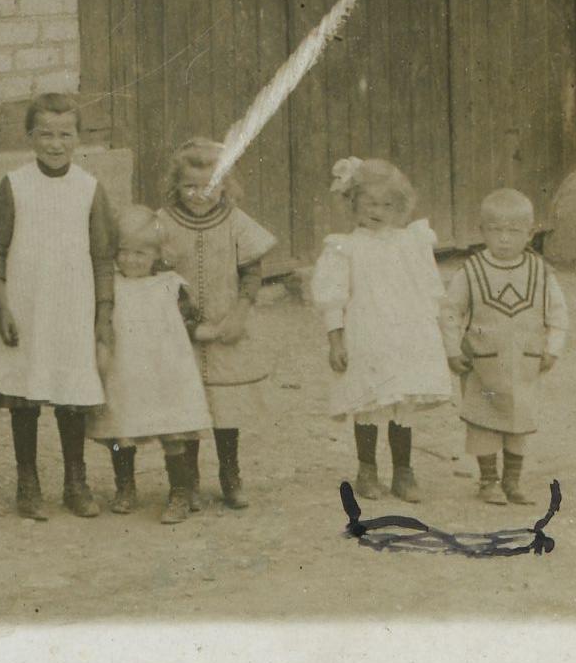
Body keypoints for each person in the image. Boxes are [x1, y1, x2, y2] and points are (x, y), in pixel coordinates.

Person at [0, 89, 115, 520]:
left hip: (72, 309)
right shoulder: (15, 184)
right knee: (24, 394)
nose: (55, 144)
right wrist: (2, 307)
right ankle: (27, 480)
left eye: (65, 134)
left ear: (78, 138)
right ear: (30, 136)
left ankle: (75, 480)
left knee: (71, 394)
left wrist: (103, 314)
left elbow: (103, 257)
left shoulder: (88, 188)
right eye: (45, 134)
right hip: (25, 307)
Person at [311, 155, 457, 508]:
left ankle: (403, 472)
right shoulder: (345, 247)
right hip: (368, 335)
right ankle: (367, 469)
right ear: (353, 203)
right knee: (369, 400)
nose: (379, 211)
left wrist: (437, 331)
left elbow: (429, 289)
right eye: (370, 203)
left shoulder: (411, 242)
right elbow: (333, 298)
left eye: (388, 205)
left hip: (407, 334)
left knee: (401, 401)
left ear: (400, 206)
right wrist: (335, 339)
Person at [155, 133, 282, 513]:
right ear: (175, 185)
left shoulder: (235, 221)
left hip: (227, 327)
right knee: (187, 406)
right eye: (189, 187)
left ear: (225, 184)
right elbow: (154, 271)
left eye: (210, 186)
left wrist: (240, 313)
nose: (199, 195)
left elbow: (252, 271)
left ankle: (230, 474)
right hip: (180, 332)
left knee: (226, 409)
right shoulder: (163, 223)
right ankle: (189, 480)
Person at [441, 188, 570, 508]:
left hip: (525, 362)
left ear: (529, 233)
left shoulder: (540, 272)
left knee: (518, 421)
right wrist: (452, 350)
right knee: (483, 421)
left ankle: (512, 481)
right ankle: (488, 481)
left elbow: (558, 313)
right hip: (483, 364)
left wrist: (553, 348)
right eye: (495, 230)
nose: (504, 239)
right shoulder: (471, 271)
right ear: (481, 231)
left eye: (513, 231)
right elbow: (450, 312)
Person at [91, 204, 213, 521]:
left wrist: (206, 330)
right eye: (123, 252)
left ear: (157, 253)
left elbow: (189, 322)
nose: (130, 260)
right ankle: (125, 486)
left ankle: (180, 492)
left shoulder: (170, 285)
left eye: (140, 253)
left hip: (165, 372)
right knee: (121, 430)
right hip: (125, 371)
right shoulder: (111, 286)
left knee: (172, 430)